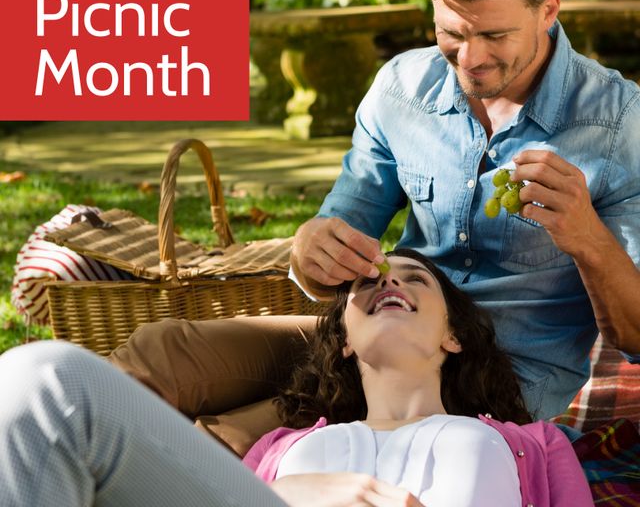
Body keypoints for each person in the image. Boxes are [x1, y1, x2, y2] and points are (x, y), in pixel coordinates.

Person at [290, 0, 640, 421]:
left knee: (232, 439)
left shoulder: (618, 124)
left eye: (495, 35)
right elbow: (334, 249)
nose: (470, 60)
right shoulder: (400, 90)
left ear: (548, 10)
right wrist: (308, 252)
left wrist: (587, 236)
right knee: (171, 353)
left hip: (496, 389)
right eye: (451, 34)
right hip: (370, 352)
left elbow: (635, 336)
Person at [0, 250, 593, 506]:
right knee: (41, 378)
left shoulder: (532, 444)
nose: (389, 282)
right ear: (340, 342)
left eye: (415, 280)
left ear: (453, 336)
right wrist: (275, 496)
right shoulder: (282, 448)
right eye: (368, 284)